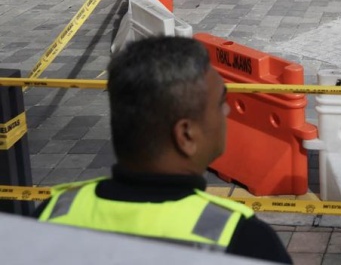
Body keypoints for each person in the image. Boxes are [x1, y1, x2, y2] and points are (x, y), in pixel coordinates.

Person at [37, 37, 293, 263]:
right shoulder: (243, 240)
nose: (226, 112)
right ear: (186, 135)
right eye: (219, 104)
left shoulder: (51, 215)